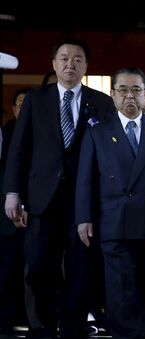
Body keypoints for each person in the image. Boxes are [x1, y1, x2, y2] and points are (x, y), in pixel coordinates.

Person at [3, 38, 115, 339]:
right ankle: (44, 324)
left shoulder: (101, 102)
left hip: (84, 201)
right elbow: (19, 149)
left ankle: (73, 326)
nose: (70, 64)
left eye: (78, 59)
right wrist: (13, 193)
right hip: (42, 198)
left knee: (81, 269)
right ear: (53, 63)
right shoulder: (36, 101)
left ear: (86, 66)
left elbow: (108, 154)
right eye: (64, 58)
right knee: (39, 266)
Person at [75, 67, 145, 338]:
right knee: (121, 287)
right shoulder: (98, 131)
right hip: (114, 221)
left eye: (136, 90)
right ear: (113, 94)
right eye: (123, 90)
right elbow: (86, 178)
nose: (130, 96)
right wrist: (83, 217)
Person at [0, 87, 31, 334]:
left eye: (27, 103)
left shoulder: (45, 132)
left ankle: (34, 318)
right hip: (9, 213)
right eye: (19, 104)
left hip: (40, 210)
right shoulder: (6, 132)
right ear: (13, 108)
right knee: (8, 267)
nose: (23, 108)